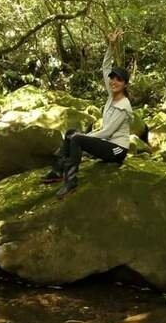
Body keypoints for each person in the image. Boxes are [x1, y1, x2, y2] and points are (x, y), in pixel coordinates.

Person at [42, 28, 133, 198]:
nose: (113, 81)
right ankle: (58, 170)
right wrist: (111, 45)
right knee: (70, 132)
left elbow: (107, 132)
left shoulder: (124, 106)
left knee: (76, 138)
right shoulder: (112, 94)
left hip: (118, 150)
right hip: (108, 144)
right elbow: (105, 67)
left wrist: (84, 137)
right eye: (113, 78)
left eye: (119, 79)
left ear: (125, 84)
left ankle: (71, 181)